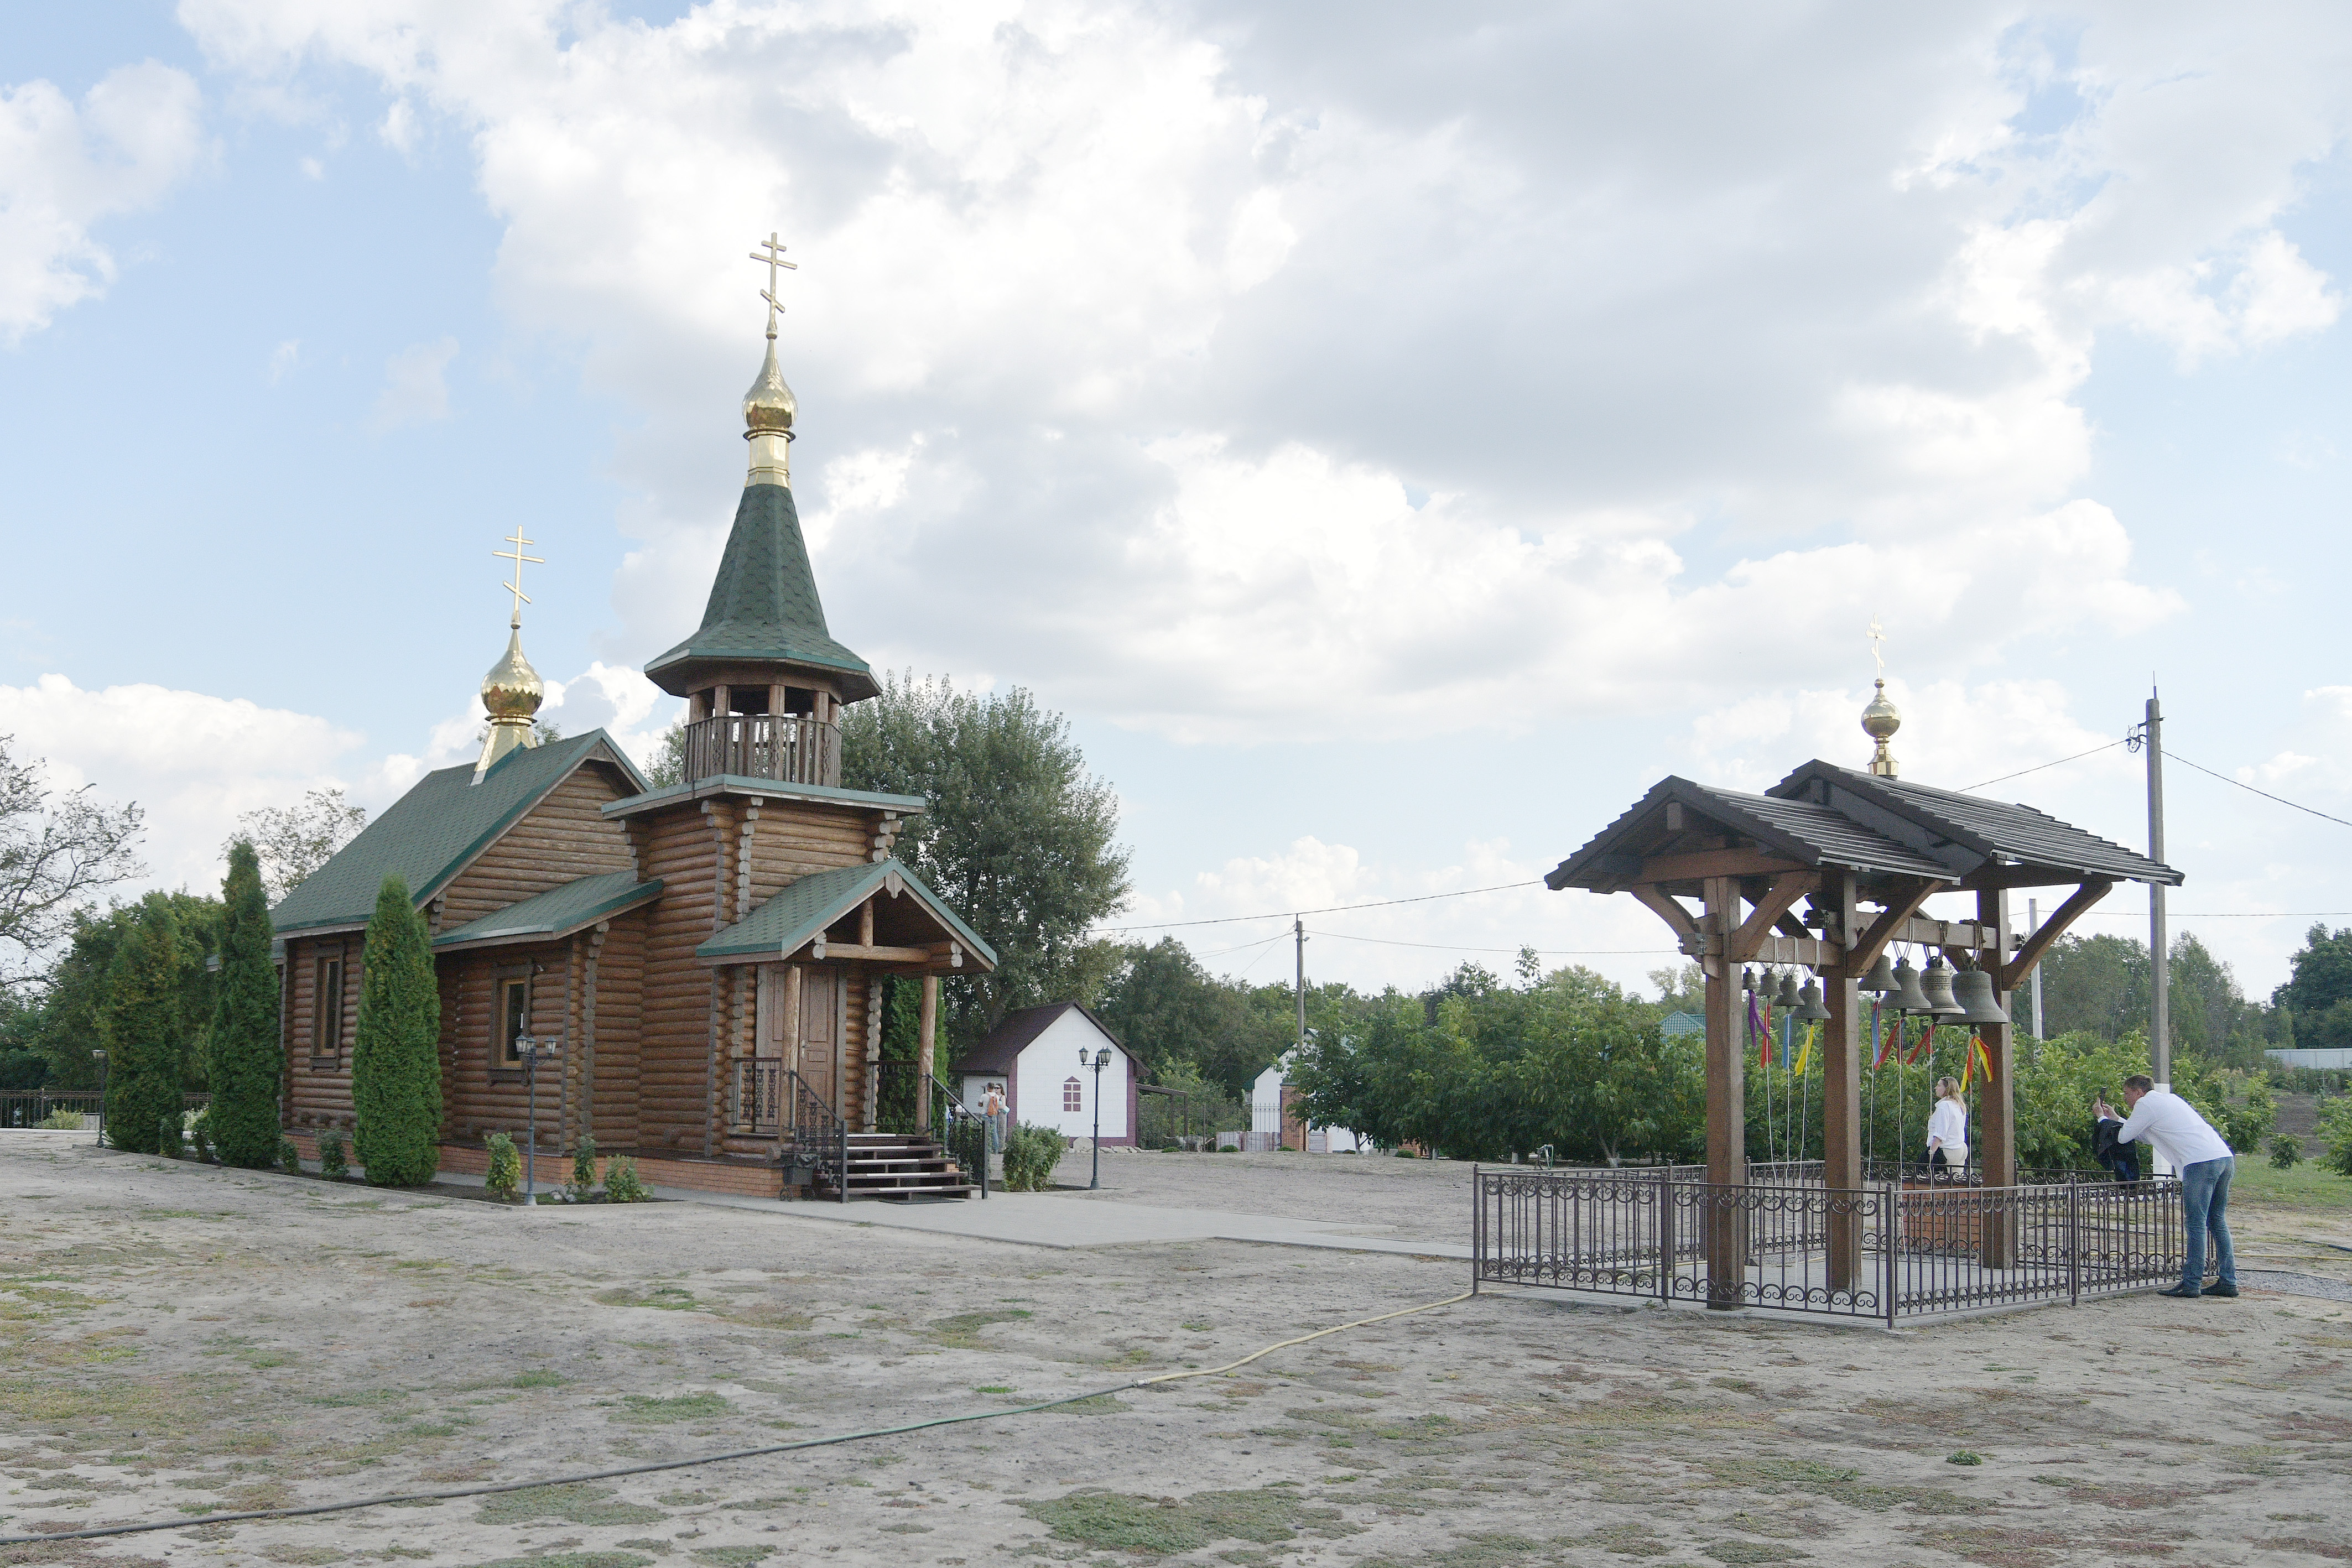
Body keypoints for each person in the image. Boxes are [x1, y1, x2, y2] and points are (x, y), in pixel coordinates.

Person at [2093, 1074, 2237, 1299]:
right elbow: (2144, 1135)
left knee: (2196, 1223)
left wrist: (2102, 1119)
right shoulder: (2168, 1100)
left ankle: (2191, 1283)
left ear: (2138, 1092)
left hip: (2199, 1163)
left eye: (2127, 1093)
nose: (2125, 1098)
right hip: (2223, 1158)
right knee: (2217, 1221)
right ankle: (2229, 1281)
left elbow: (2122, 1138)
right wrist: (2117, 1118)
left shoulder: (2145, 1104)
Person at [1925, 1076, 1968, 1180]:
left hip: (1947, 1150)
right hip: (1960, 1148)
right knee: (1955, 1183)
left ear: (1947, 1089)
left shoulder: (1944, 1106)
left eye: (1939, 1086)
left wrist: (1931, 1155)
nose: (1936, 1088)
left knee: (1929, 1179)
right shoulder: (1959, 1105)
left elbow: (1940, 1134)